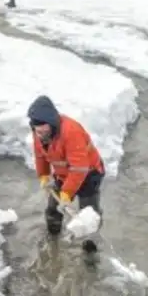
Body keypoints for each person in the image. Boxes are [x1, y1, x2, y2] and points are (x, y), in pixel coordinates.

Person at [27, 95, 105, 253]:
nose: (40, 133)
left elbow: (79, 167)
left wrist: (67, 193)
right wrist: (44, 175)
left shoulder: (71, 131)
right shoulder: (39, 133)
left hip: (89, 173)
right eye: (37, 130)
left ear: (52, 124)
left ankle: (90, 249)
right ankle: (53, 238)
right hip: (63, 175)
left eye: (44, 129)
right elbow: (40, 155)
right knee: (53, 209)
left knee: (88, 215)